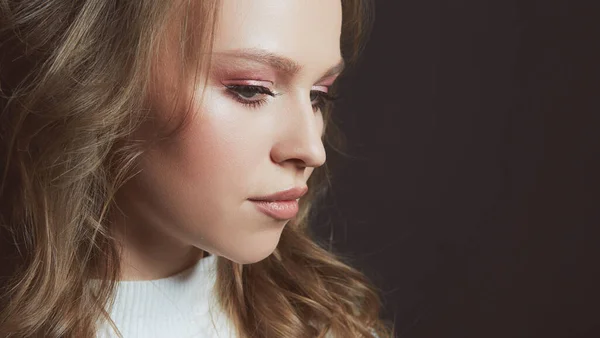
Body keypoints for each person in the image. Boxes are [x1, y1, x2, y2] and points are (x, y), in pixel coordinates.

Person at [0, 0, 395, 337]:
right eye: (251, 89)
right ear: (97, 80)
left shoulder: (331, 326)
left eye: (318, 95)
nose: (311, 150)